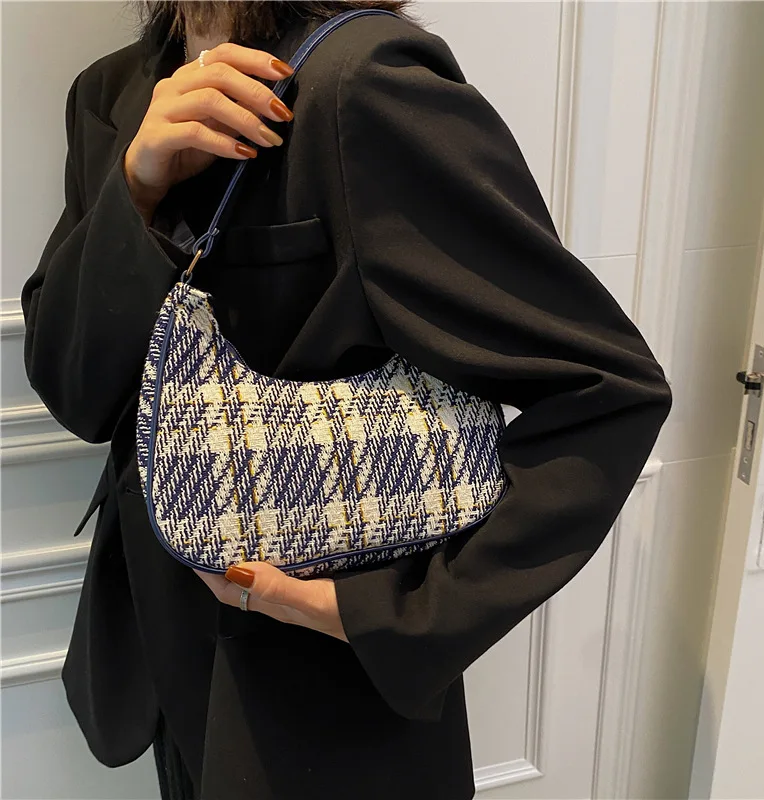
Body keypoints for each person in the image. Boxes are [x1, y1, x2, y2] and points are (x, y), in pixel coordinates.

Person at [21, 2, 673, 799]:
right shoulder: (110, 94)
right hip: (160, 661)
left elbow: (606, 392)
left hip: (317, 701)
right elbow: (75, 391)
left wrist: (396, 614)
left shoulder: (362, 81)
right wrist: (137, 189)